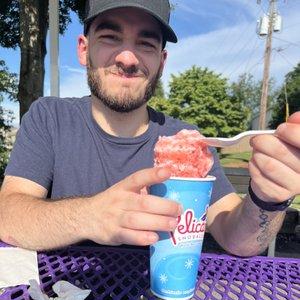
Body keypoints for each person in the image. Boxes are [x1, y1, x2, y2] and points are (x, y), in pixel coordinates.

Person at [0, 0, 299, 255]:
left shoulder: (188, 141)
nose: (127, 58)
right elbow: (8, 217)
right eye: (110, 37)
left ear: (161, 61)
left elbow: (236, 238)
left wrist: (267, 199)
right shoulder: (49, 118)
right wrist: (90, 215)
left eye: (145, 43)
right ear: (83, 49)